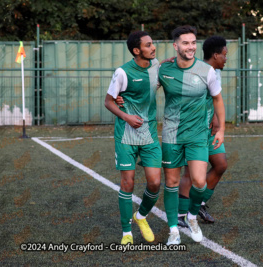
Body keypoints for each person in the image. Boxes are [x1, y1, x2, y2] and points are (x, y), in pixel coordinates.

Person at [159, 26, 226, 245]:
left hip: (198, 135)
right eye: (186, 43)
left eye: (194, 42)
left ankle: (192, 216)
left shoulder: (206, 70)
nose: (191, 47)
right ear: (175, 46)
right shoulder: (163, 70)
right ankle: (173, 231)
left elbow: (217, 99)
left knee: (199, 182)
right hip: (172, 135)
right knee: (171, 182)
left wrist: (222, 129)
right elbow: (143, 88)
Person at [104, 31, 161, 245]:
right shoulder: (122, 72)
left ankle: (141, 216)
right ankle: (126, 232)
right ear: (137, 50)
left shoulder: (157, 68)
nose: (153, 47)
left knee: (155, 183)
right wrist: (126, 116)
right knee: (128, 183)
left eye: (152, 43)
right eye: (148, 45)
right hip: (126, 136)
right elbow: (109, 101)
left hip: (149, 135)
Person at [177, 36, 228, 228]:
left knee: (221, 164)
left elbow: (214, 99)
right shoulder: (195, 70)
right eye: (224, 55)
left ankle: (199, 204)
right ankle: (181, 215)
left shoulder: (216, 72)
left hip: (209, 130)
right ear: (215, 55)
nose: (226, 58)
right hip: (192, 131)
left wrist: (215, 119)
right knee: (189, 175)